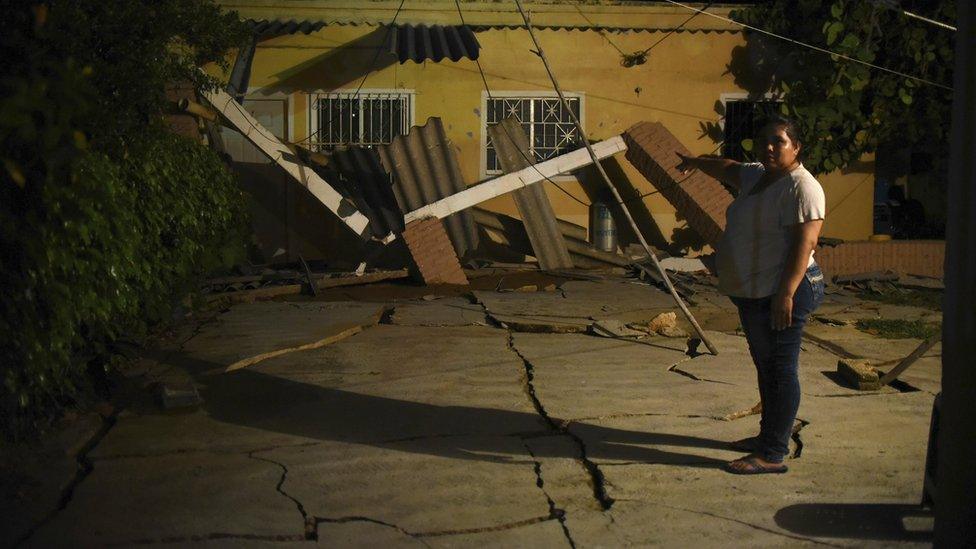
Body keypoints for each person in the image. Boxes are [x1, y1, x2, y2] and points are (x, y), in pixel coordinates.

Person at [676, 116, 826, 474]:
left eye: (779, 141)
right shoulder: (758, 176)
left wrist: (785, 295)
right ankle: (767, 436)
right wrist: (695, 162)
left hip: (786, 289)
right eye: (764, 141)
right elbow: (727, 167)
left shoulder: (802, 187)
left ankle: (772, 453)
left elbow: (805, 246)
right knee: (766, 366)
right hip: (755, 290)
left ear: (797, 147)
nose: (769, 147)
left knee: (781, 369)